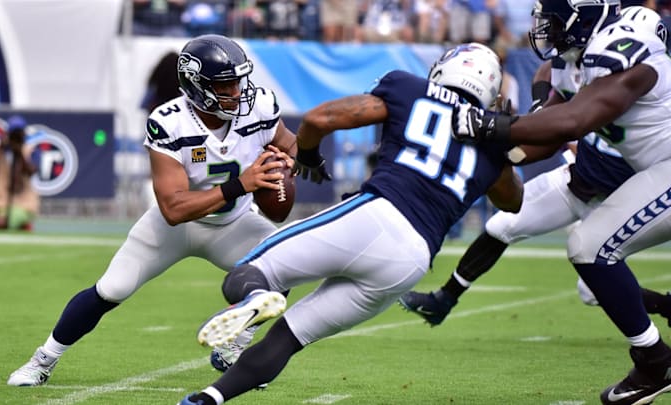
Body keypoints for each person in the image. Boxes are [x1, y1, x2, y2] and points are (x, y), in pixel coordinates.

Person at [177, 42, 524, 405]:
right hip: (412, 261)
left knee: (250, 271)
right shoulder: (492, 142)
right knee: (289, 337)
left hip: (376, 216)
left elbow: (318, 120)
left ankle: (256, 296)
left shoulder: (409, 87)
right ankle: (209, 399)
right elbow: (512, 200)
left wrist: (308, 155)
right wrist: (502, 141)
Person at [7, 34, 298, 387]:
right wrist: (242, 184)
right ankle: (43, 360)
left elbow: (288, 143)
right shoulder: (169, 121)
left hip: (234, 224)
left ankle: (235, 344)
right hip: (175, 227)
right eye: (226, 85)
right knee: (111, 289)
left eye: (238, 81)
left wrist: (290, 162)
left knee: (286, 263)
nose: (238, 92)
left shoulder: (259, 106)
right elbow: (174, 209)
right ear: (197, 85)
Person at [451, 1, 671, 403]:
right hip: (657, 172)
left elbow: (574, 121)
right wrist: (499, 151)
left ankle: (655, 363)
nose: (543, 30)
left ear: (581, 16)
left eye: (550, 21)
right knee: (588, 248)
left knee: (590, 246)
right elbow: (548, 133)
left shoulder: (619, 49)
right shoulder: (577, 59)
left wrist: (492, 126)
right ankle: (655, 360)